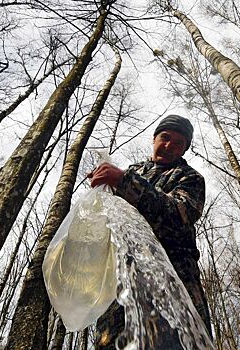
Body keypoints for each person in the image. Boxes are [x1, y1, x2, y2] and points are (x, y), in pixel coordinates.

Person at [88, 114, 212, 349]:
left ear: (184, 150)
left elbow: (179, 215)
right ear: (154, 138)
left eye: (178, 143)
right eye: (165, 138)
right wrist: (100, 193)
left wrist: (124, 181)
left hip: (173, 283)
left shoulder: (189, 178)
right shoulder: (135, 170)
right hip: (121, 285)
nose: (169, 146)